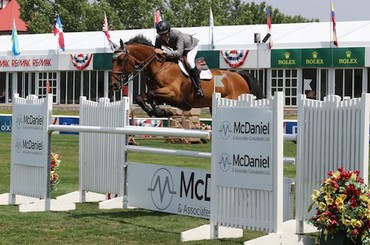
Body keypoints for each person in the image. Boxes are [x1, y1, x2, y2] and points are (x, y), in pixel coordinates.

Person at [154, 20, 204, 97]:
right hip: (178, 49)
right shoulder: (158, 38)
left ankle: (198, 87)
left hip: (190, 47)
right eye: (161, 35)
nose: (163, 37)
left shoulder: (177, 34)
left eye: (164, 34)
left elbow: (179, 53)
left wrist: (164, 52)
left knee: (190, 62)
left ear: (169, 31)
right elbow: (157, 52)